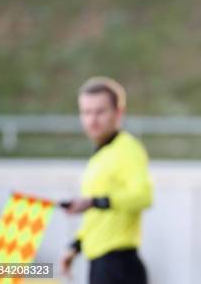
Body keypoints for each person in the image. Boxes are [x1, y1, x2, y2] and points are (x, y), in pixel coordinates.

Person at [60, 77, 153, 284]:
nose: (92, 120)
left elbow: (143, 197)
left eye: (100, 112)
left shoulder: (127, 148)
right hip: (100, 265)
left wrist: (96, 201)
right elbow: (99, 217)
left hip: (119, 266)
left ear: (119, 113)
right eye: (86, 112)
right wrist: (76, 246)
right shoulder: (100, 155)